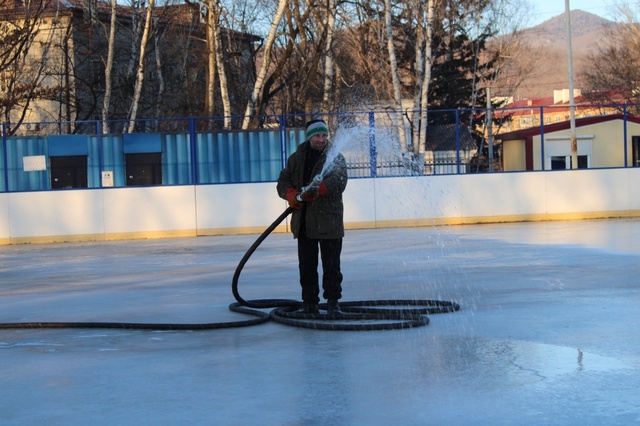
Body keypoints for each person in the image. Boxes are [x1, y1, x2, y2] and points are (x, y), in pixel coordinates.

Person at [277, 119, 348, 315]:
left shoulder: (335, 157)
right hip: (305, 222)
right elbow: (283, 180)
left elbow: (340, 180)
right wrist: (291, 194)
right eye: (317, 135)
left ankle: (333, 303)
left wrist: (320, 190)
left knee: (332, 266)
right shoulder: (297, 158)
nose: (321, 139)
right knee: (307, 266)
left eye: (324, 135)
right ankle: (309, 304)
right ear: (309, 137)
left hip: (329, 221)